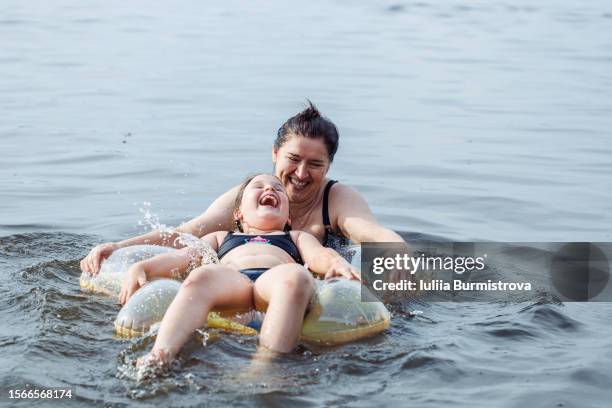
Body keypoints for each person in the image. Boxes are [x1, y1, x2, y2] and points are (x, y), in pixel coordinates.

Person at [81, 101, 406, 276]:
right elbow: (186, 233)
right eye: (293, 159)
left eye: (316, 164)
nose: (302, 173)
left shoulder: (336, 198)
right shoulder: (250, 196)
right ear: (275, 154)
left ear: (329, 166)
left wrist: (402, 257)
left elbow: (374, 234)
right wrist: (118, 246)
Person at [129, 174, 360, 366]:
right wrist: (145, 267)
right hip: (233, 284)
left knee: (295, 277)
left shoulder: (296, 237)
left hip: (274, 284)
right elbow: (183, 257)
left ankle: (265, 365)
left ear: (288, 217)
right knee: (201, 276)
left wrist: (335, 263)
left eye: (278, 189)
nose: (270, 188)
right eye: (258, 186)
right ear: (238, 213)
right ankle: (161, 354)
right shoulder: (221, 238)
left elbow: (318, 255)